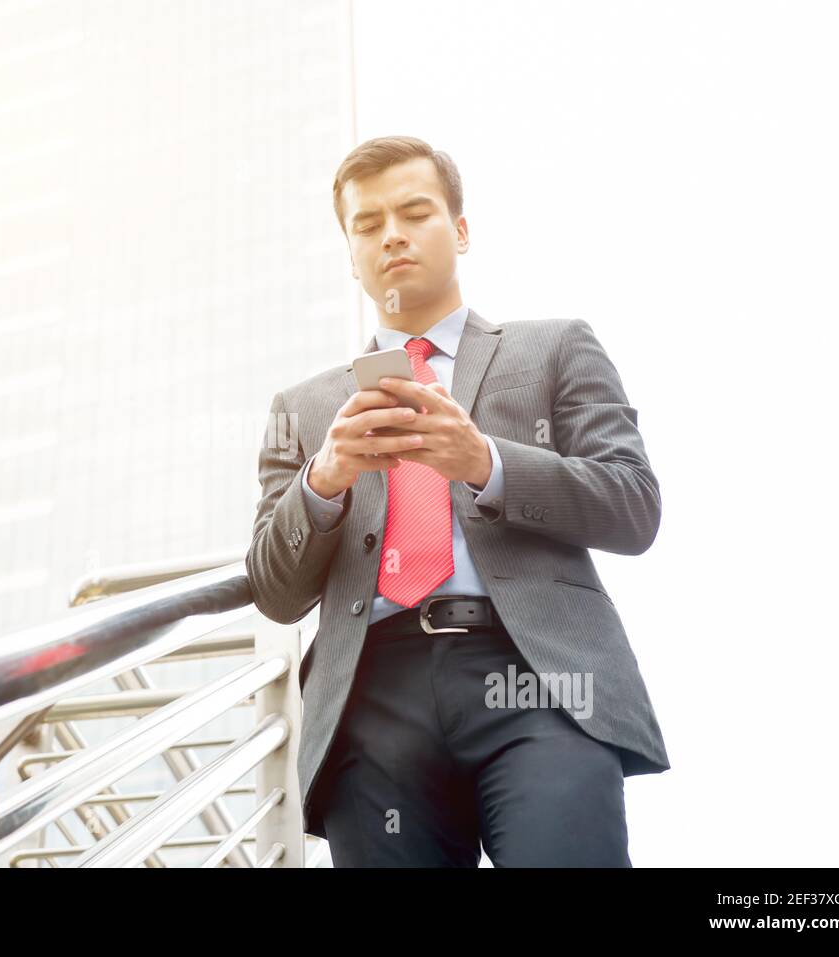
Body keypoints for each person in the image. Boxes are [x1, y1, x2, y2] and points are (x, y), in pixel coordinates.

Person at [246, 135, 670, 866]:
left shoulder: (556, 346)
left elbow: (633, 504)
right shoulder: (305, 407)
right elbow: (274, 591)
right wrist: (325, 480)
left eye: (415, 212)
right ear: (351, 254)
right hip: (369, 701)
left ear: (462, 229)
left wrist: (488, 462)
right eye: (368, 224)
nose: (393, 235)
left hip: (537, 675)